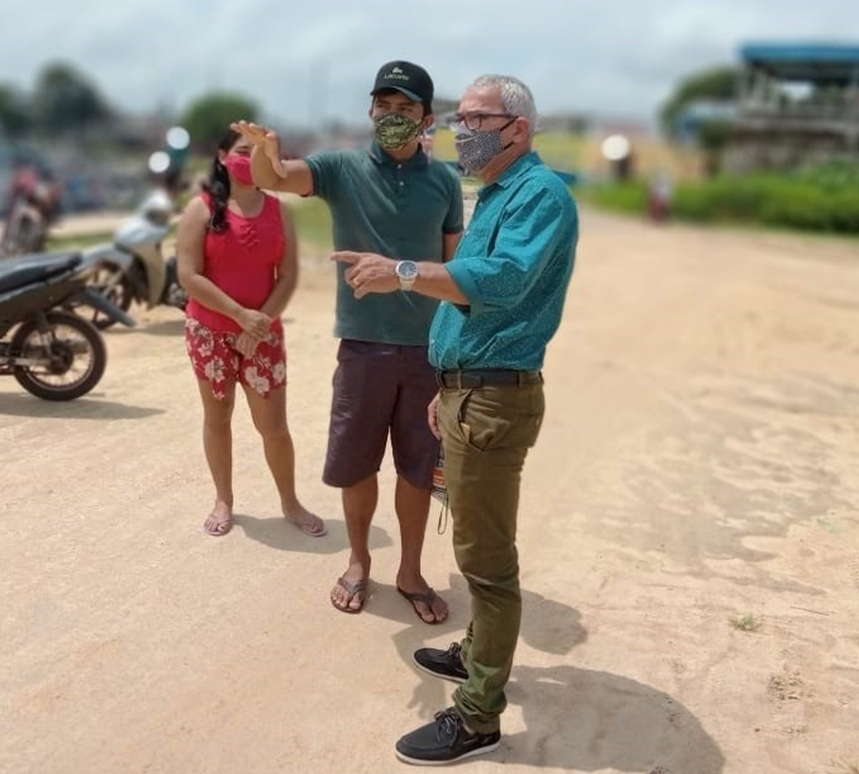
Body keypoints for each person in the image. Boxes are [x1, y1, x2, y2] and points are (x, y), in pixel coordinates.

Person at [331, 74, 578, 764]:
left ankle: (477, 717)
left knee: (485, 565)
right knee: (473, 544)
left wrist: (402, 270)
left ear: (517, 129)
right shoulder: (498, 193)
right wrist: (447, 391)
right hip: (470, 393)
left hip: (496, 398)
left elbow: (500, 280)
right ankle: (476, 655)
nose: (458, 129)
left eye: (475, 118)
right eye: (459, 117)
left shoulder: (541, 196)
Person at [233, 59, 463, 624]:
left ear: (426, 119)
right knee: (359, 466)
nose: (392, 116)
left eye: (405, 108)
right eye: (383, 106)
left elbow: (456, 268)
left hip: (426, 350)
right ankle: (359, 562)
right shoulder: (340, 169)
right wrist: (267, 150)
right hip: (363, 348)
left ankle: (409, 570)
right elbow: (273, 179)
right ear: (370, 110)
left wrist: (456, 349)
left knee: (415, 468)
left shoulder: (444, 183)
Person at [175, 127, 326, 539]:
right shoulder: (201, 210)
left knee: (274, 427)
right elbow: (189, 275)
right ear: (222, 156)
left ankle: (290, 503)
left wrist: (258, 324)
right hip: (211, 332)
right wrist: (240, 315)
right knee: (217, 418)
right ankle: (223, 499)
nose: (249, 159)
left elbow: (289, 275)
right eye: (243, 151)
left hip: (263, 336)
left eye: (259, 152)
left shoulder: (281, 211)